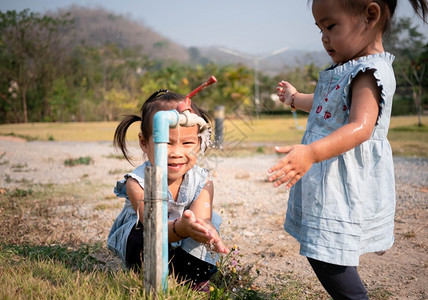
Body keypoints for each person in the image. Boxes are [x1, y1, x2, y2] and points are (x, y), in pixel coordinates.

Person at [268, 0, 427, 299]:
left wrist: (312, 152)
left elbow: (361, 127)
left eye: (330, 26)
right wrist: (294, 98)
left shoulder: (370, 71)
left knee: (327, 253)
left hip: (342, 180)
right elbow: (325, 104)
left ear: (370, 15)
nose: (324, 38)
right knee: (322, 249)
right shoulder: (347, 67)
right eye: (320, 29)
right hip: (328, 181)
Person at [107, 89, 229, 289]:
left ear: (199, 143)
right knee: (140, 235)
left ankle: (192, 280)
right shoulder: (137, 182)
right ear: (144, 143)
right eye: (166, 143)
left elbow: (203, 217)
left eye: (187, 143)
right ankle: (146, 273)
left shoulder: (202, 180)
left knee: (199, 230)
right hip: (148, 240)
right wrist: (180, 228)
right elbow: (153, 225)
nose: (176, 153)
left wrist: (206, 230)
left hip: (183, 240)